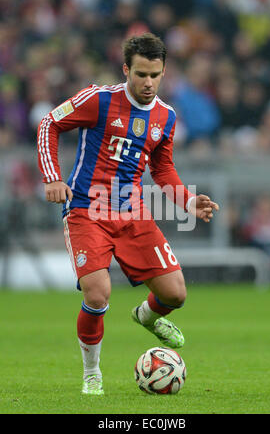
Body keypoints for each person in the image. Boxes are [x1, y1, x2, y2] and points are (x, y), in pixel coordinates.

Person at [37, 33, 219, 396]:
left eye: (155, 75)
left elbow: (163, 169)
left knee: (175, 294)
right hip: (87, 210)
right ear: (126, 70)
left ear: (164, 71)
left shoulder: (166, 117)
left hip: (132, 212)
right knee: (98, 293)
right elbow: (48, 124)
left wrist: (187, 200)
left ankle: (146, 316)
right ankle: (92, 374)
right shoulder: (99, 99)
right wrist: (53, 178)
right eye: (140, 74)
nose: (148, 83)